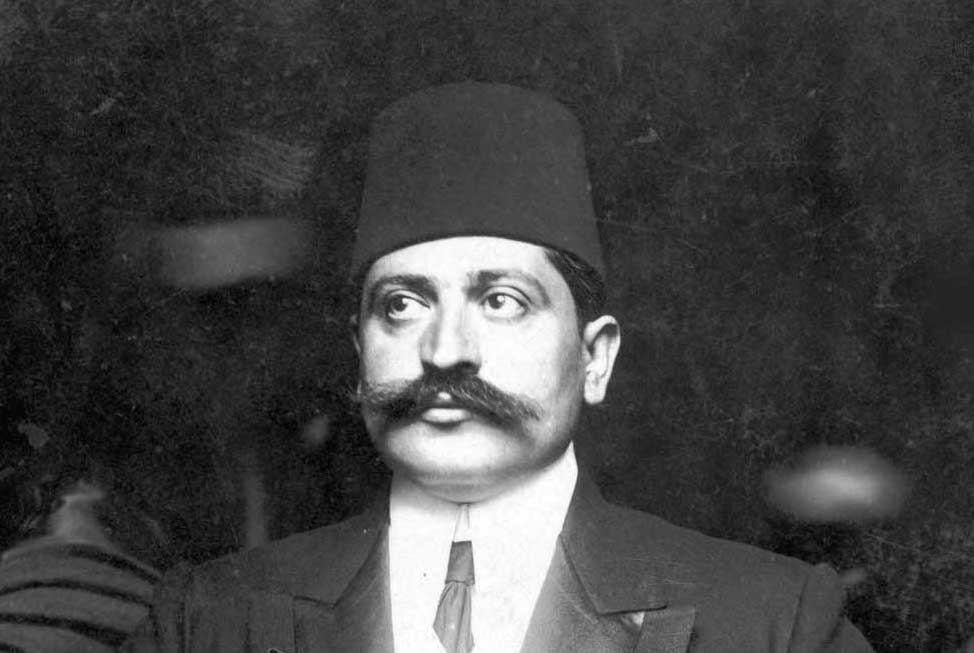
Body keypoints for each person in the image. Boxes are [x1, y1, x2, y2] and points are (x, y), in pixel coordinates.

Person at [122, 82, 874, 652]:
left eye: (502, 301)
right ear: (358, 355)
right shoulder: (206, 621)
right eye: (403, 305)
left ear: (595, 358)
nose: (446, 349)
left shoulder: (775, 624)